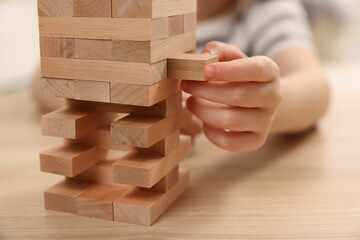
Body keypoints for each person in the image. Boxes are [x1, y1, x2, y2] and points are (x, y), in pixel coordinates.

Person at [33, 0, 330, 152]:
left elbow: (316, 88)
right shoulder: (125, 12)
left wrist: (269, 106)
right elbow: (42, 78)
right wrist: (118, 104)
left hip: (212, 173)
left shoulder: (264, 8)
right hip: (123, 164)